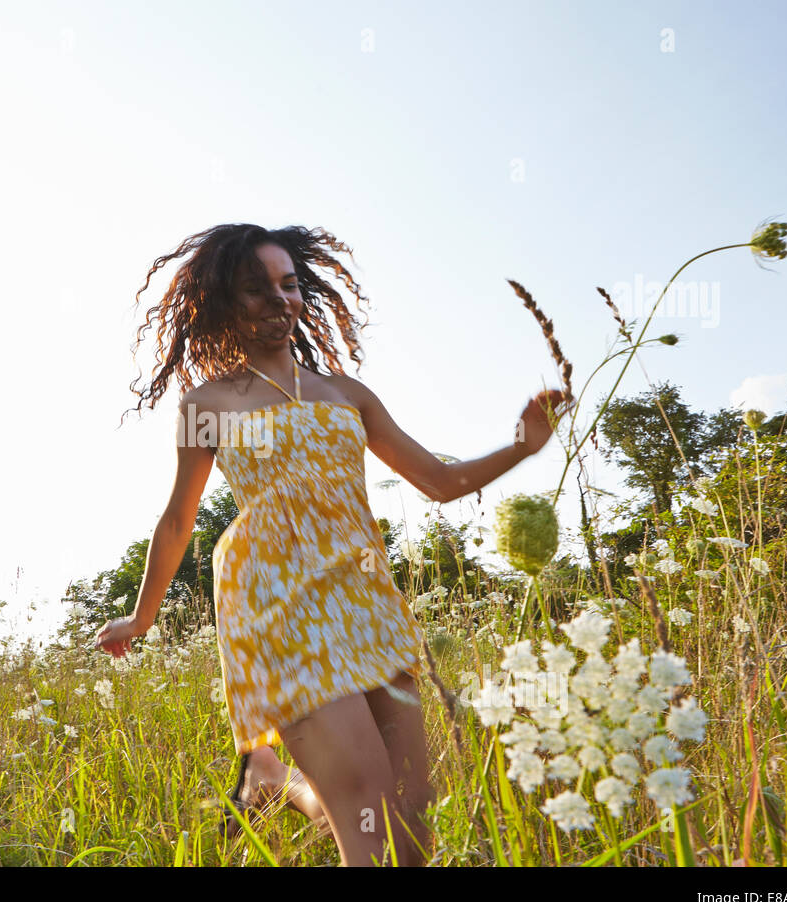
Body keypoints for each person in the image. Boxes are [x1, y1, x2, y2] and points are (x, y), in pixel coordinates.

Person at [95, 224, 571, 866]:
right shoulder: (206, 404)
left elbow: (439, 481)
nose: (278, 300)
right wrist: (142, 616)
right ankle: (277, 778)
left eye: (288, 285)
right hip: (277, 606)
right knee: (365, 811)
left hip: (365, 601)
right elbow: (178, 520)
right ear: (223, 303)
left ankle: (274, 781)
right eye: (256, 288)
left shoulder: (348, 395)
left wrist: (523, 445)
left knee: (408, 814)